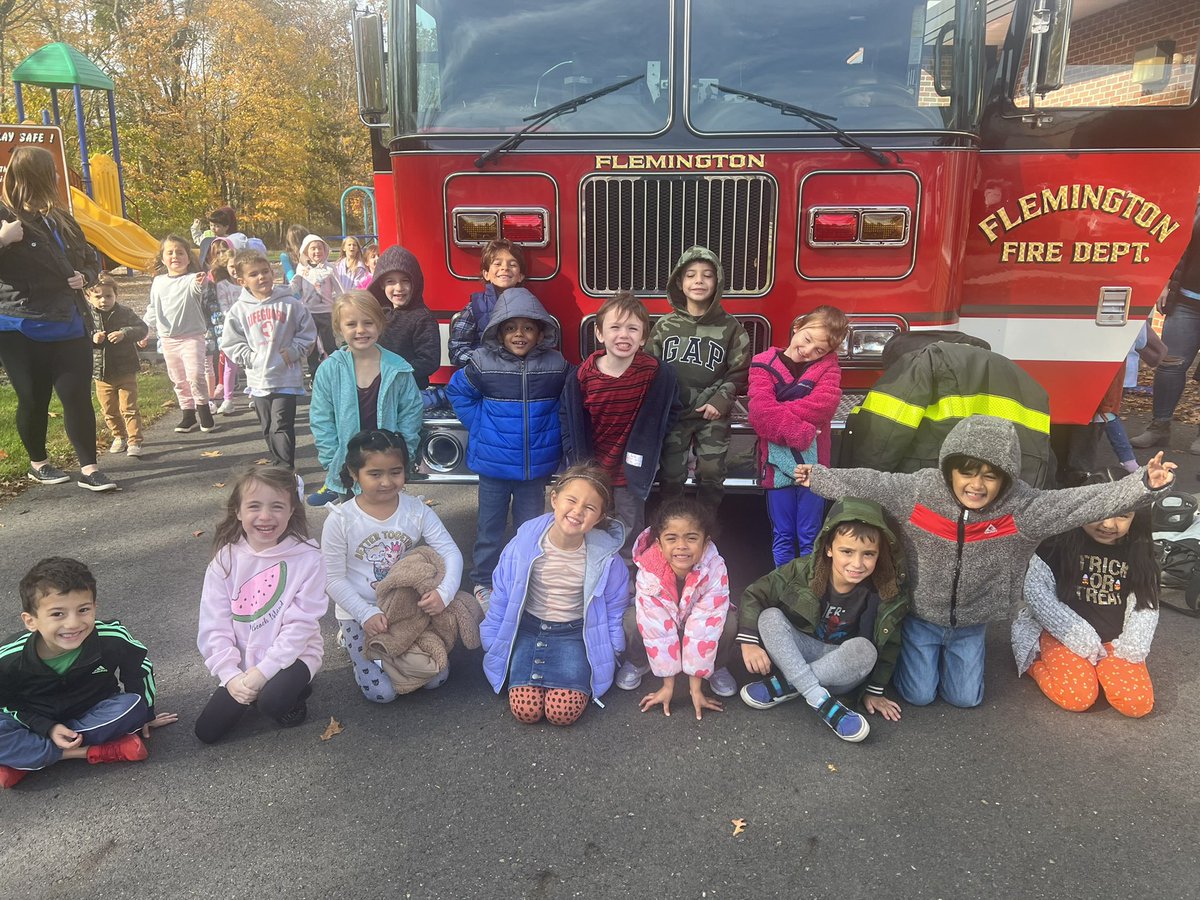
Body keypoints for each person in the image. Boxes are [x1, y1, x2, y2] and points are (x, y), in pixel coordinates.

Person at [794, 414, 1177, 708]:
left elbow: (1078, 503)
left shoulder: (1021, 507)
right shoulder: (920, 491)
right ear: (950, 468)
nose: (976, 485)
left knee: (965, 700)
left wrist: (1143, 484)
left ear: (1005, 478)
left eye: (990, 477)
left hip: (973, 623)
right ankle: (917, 659)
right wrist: (820, 478)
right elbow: (872, 482)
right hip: (921, 616)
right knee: (920, 696)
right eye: (967, 472)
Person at [736, 499, 910, 743]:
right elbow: (755, 593)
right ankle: (821, 700)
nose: (857, 564)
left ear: (879, 554)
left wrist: (874, 691)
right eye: (847, 552)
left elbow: (890, 644)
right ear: (828, 548)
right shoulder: (803, 570)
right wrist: (749, 642)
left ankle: (789, 685)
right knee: (770, 617)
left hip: (840, 668)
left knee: (865, 649)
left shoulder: (884, 589)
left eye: (868, 554)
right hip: (802, 651)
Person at [0, 557, 177, 789]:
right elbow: (6, 702)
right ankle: (87, 752)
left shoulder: (111, 637)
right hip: (34, 717)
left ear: (95, 607)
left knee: (133, 707)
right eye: (57, 614)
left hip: (91, 712)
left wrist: (147, 714)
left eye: (83, 610)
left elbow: (139, 668)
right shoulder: (9, 657)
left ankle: (26, 758)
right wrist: (48, 727)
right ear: (31, 621)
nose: (73, 623)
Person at [446, 288, 572, 609]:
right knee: (489, 528)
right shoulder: (482, 362)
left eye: (528, 328)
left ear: (541, 332)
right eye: (511, 327)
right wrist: (481, 425)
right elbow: (458, 392)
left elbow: (570, 398)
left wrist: (556, 431)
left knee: (529, 529)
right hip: (493, 467)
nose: (519, 334)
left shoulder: (556, 365)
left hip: (534, 469)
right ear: (498, 331)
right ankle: (484, 581)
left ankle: (525, 578)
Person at [0, 146, 114, 492]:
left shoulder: (60, 217)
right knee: (34, 398)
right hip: (20, 323)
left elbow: (91, 258)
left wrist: (86, 274)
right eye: (51, 172)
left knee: (76, 394)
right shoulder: (4, 215)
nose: (57, 178)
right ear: (34, 176)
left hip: (69, 319)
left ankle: (90, 468)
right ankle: (39, 463)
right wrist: (2, 240)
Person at [480, 464, 629, 726]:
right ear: (554, 499)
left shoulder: (607, 559)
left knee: (563, 713)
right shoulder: (523, 544)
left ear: (599, 517)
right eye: (571, 500)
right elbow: (502, 592)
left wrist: (615, 646)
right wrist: (492, 636)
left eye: (590, 508)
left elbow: (616, 605)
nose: (577, 511)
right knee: (525, 709)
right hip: (527, 628)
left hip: (574, 634)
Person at [322, 430, 464, 699]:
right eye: (375, 474)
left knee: (437, 677)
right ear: (355, 473)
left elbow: (451, 553)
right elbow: (332, 579)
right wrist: (365, 614)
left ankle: (388, 656)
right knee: (382, 693)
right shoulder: (340, 520)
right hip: (357, 611)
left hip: (403, 608)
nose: (387, 482)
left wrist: (444, 594)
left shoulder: (416, 510)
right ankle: (354, 643)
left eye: (395, 472)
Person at [1012, 469, 1159, 718]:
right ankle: (1034, 662)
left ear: (1137, 518)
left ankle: (1100, 669)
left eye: (1123, 515)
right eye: (1100, 513)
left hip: (1114, 641)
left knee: (1137, 705)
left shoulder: (1139, 551)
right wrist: (1077, 636)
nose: (1108, 524)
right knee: (1077, 697)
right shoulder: (1056, 543)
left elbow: (1145, 604)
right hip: (1063, 633)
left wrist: (1133, 645)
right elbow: (1037, 593)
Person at [195, 467, 327, 743]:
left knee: (272, 703)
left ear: (292, 511)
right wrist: (231, 676)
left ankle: (296, 691)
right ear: (238, 511)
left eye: (277, 507)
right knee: (206, 732)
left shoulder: (309, 558)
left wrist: (263, 673)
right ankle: (265, 689)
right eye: (254, 506)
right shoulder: (224, 561)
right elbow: (214, 626)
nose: (266, 516)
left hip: (294, 654)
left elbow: (300, 627)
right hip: (242, 663)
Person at [560, 290, 679, 564]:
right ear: (600, 334)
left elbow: (671, 410)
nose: (623, 335)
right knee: (591, 517)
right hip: (594, 466)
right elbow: (568, 417)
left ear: (643, 337)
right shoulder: (582, 376)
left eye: (632, 329)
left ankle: (626, 571)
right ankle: (592, 567)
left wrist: (653, 442)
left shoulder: (655, 374)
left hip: (631, 471)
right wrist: (575, 454)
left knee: (629, 522)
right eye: (615, 327)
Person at [649, 245, 751, 513]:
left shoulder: (731, 328)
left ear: (717, 281)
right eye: (691, 275)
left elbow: (740, 370)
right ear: (679, 283)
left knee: (711, 472)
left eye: (707, 275)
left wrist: (721, 399)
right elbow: (650, 367)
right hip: (675, 415)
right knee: (671, 475)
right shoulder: (664, 326)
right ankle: (670, 524)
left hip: (712, 415)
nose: (699, 281)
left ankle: (706, 527)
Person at [618, 499, 737, 719]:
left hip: (696, 626)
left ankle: (714, 666)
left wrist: (695, 689)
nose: (681, 546)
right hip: (664, 627)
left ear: (705, 541)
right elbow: (657, 629)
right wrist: (668, 687)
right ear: (659, 544)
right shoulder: (649, 571)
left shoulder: (715, 568)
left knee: (728, 622)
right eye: (671, 538)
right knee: (632, 618)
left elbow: (704, 626)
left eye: (691, 538)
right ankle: (638, 661)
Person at [748, 305, 847, 566]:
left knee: (809, 535)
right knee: (782, 534)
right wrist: (802, 432)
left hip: (813, 470)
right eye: (807, 339)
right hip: (776, 467)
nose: (808, 351)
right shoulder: (762, 363)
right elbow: (758, 412)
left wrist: (776, 412)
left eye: (819, 350)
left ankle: (809, 590)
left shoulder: (829, 369)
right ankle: (784, 587)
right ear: (798, 325)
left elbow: (823, 406)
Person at [308, 291, 422, 506]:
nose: (360, 330)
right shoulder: (330, 370)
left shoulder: (398, 369)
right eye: (351, 324)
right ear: (339, 329)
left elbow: (411, 414)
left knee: (384, 526)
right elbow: (321, 419)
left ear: (379, 324)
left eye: (368, 323)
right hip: (348, 467)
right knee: (351, 528)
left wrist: (404, 453)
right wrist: (333, 460)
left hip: (386, 465)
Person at [220, 249, 317, 471]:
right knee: (267, 426)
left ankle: (285, 469)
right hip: (259, 378)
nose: (261, 277)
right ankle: (277, 463)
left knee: (281, 424)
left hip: (286, 376)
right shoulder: (239, 310)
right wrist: (249, 357)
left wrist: (294, 351)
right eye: (254, 274)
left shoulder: (291, 304)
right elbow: (231, 342)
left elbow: (308, 332)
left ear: (272, 273)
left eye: (265, 271)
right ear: (242, 281)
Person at [1130, 199, 1200, 452]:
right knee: (1170, 366)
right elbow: (1176, 245)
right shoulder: (1196, 203)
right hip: (1187, 300)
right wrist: (1165, 282)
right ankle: (1159, 427)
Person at [146, 234, 217, 434]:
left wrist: (200, 282)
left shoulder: (192, 279)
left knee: (195, 375)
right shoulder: (158, 282)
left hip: (192, 336)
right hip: (168, 338)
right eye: (170, 252)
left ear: (188, 257)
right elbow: (153, 308)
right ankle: (188, 414)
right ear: (162, 258)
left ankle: (203, 410)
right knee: (178, 378)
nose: (175, 256)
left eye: (180, 252)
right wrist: (144, 330)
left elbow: (198, 289)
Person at [86, 274, 148, 459]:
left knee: (129, 407)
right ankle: (119, 436)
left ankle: (134, 440)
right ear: (88, 297)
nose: (104, 300)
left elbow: (142, 328)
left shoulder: (125, 313)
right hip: (101, 374)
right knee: (109, 410)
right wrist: (92, 337)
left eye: (108, 296)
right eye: (98, 296)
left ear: (116, 296)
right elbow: (78, 336)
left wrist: (124, 333)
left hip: (125, 369)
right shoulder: (87, 317)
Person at [370, 246, 442, 389]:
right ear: (381, 284)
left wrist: (395, 372)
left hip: (409, 391)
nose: (398, 288)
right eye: (390, 281)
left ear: (415, 283)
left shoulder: (422, 318)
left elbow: (429, 361)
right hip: (378, 388)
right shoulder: (376, 314)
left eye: (405, 281)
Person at [448, 239, 527, 367]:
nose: (505, 268)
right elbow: (457, 348)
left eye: (512, 265)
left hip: (516, 374)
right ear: (486, 274)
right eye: (497, 263)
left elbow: (538, 347)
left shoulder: (530, 308)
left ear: (520, 276)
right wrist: (481, 363)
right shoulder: (474, 307)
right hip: (482, 375)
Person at [203, 241, 243, 415]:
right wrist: (236, 319)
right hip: (231, 328)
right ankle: (228, 399)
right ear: (226, 267)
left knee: (251, 364)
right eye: (231, 266)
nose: (234, 270)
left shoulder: (246, 283)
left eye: (238, 266)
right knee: (230, 364)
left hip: (249, 327)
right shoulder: (222, 285)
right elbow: (224, 306)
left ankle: (255, 394)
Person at [294, 234, 343, 370]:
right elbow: (294, 287)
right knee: (312, 346)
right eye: (313, 249)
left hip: (326, 312)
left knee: (329, 344)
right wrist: (281, 293)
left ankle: (335, 369)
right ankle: (314, 374)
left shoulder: (330, 268)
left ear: (325, 250)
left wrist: (344, 307)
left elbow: (340, 290)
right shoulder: (302, 269)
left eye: (320, 248)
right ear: (306, 252)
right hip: (309, 314)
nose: (317, 252)